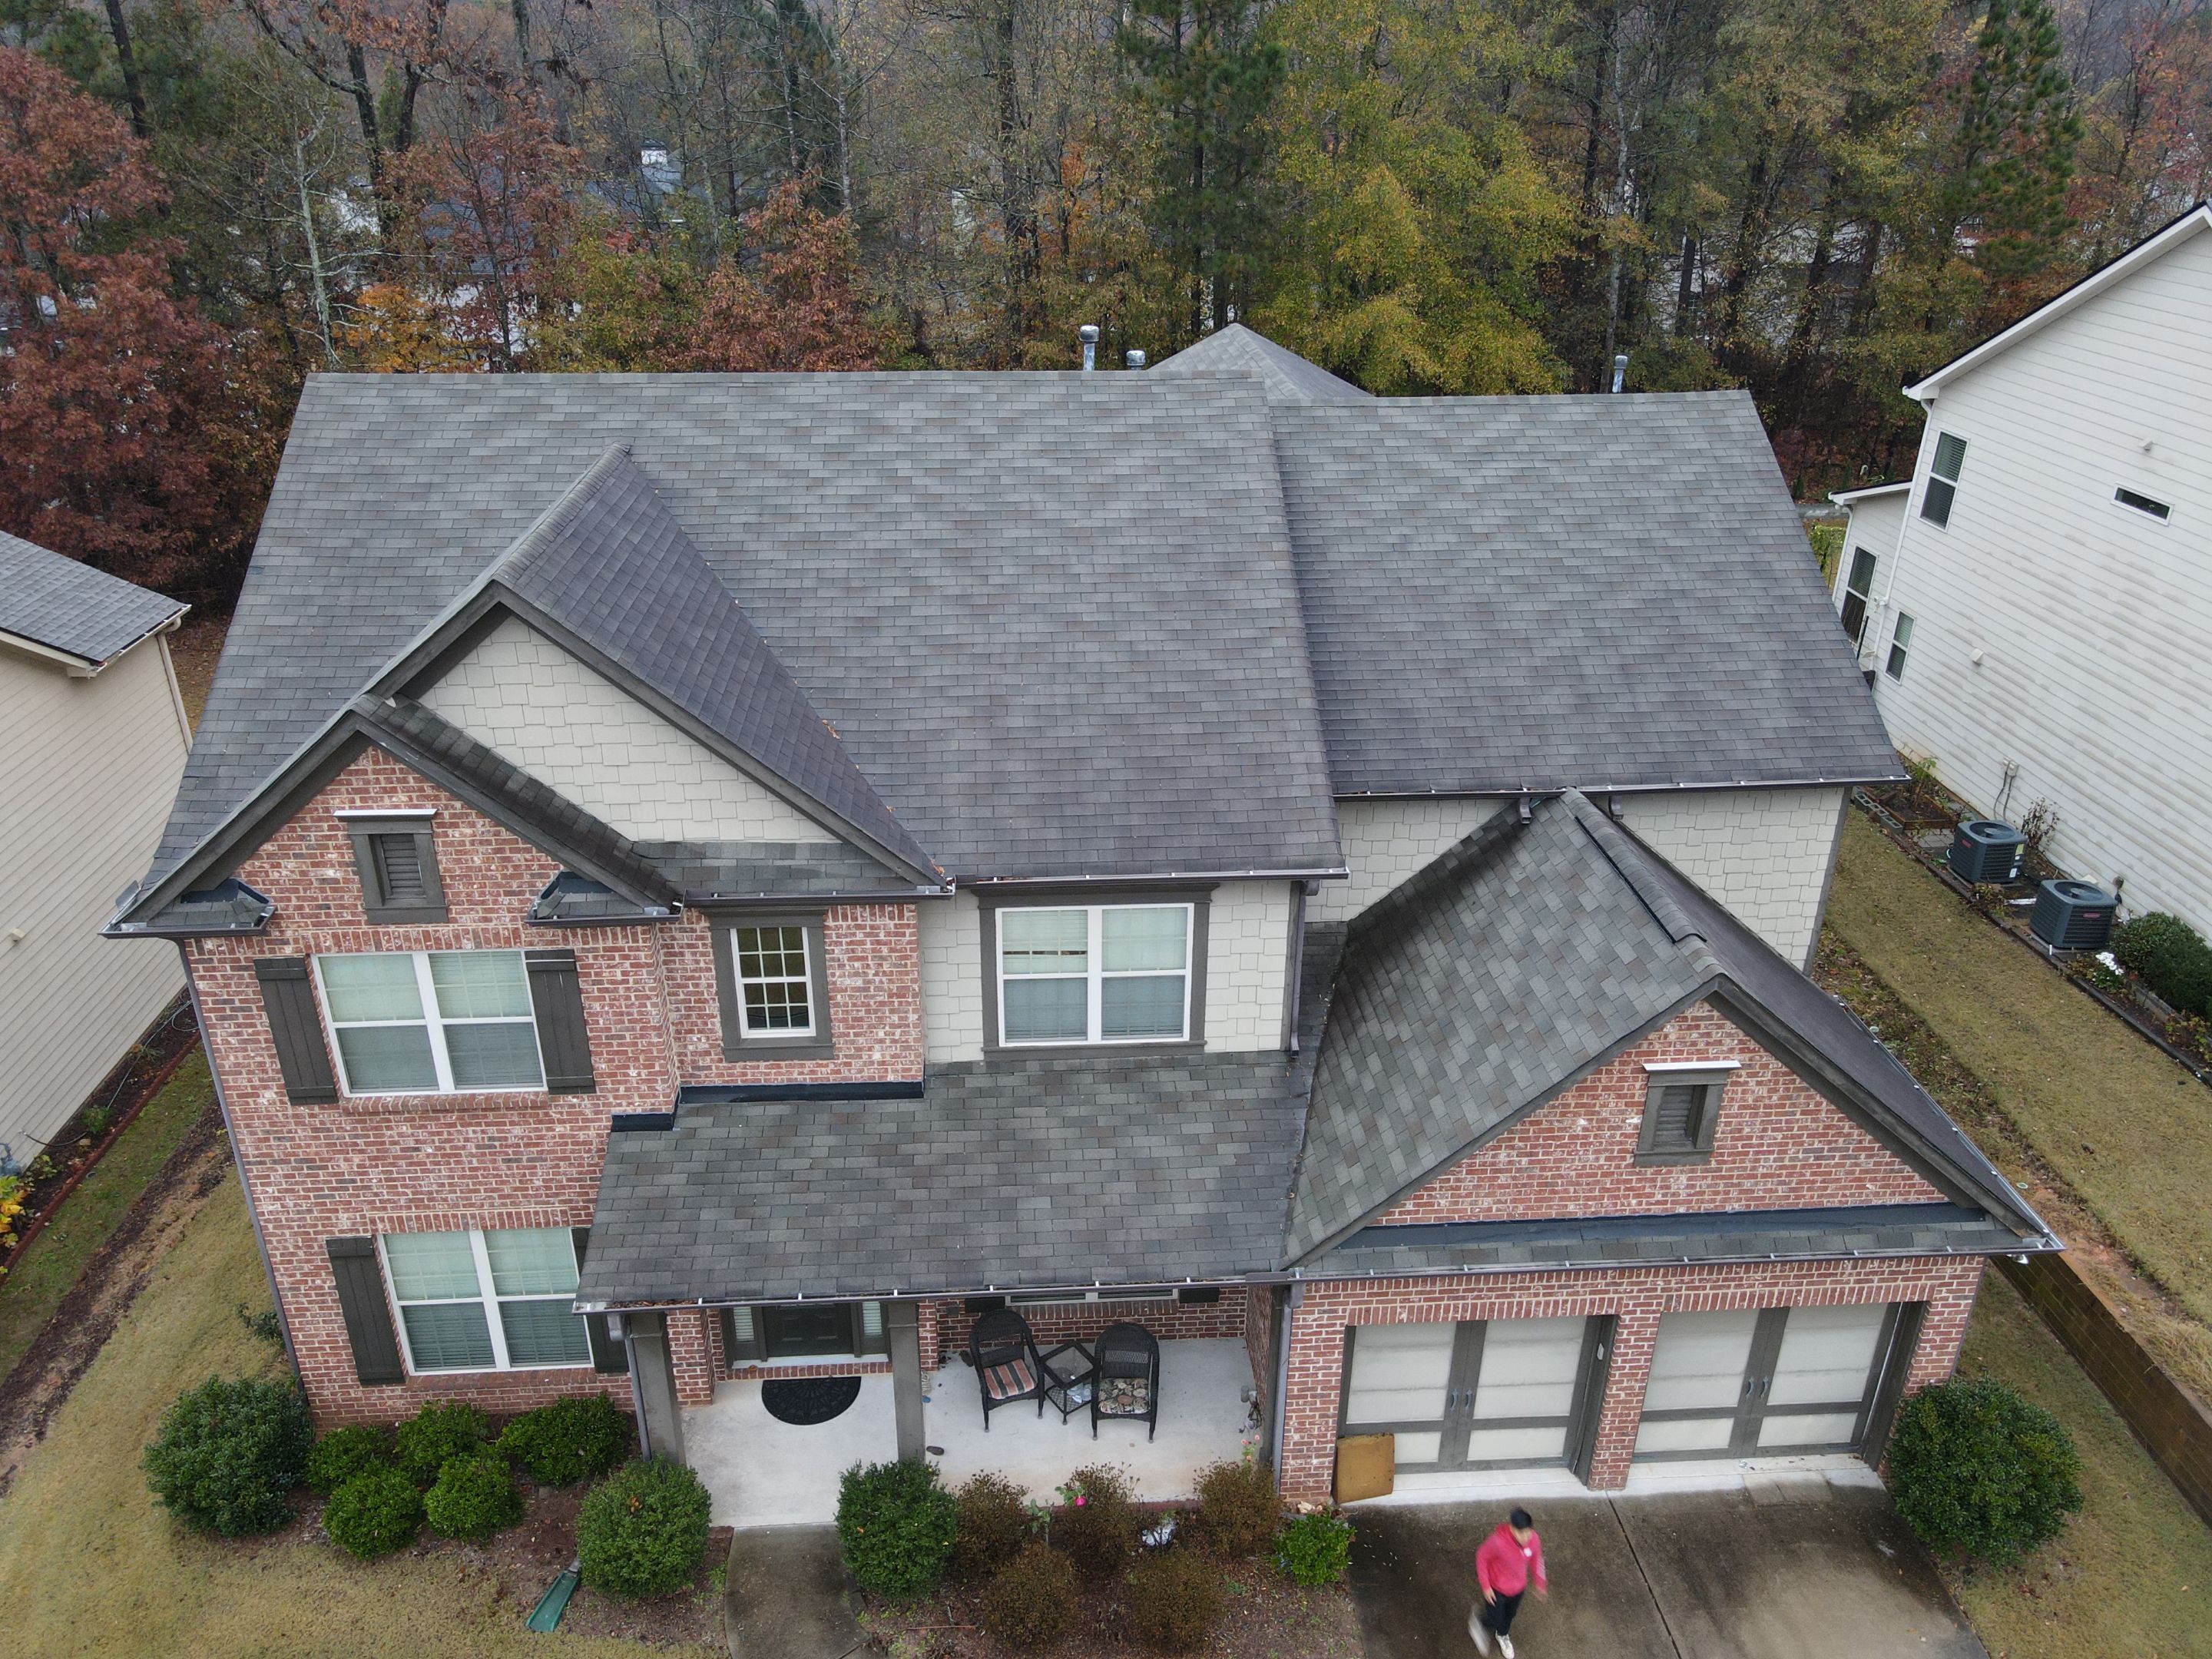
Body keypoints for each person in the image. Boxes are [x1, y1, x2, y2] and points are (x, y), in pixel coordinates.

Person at [1469, 1507, 1546, 1657]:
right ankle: (1479, 1622)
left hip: (1518, 1589)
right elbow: (1481, 1557)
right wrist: (1486, 1586)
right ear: (1512, 1529)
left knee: (1510, 1615)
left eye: (1528, 1532)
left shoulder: (1534, 1539)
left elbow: (1537, 1560)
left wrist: (1540, 1582)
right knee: (1495, 1617)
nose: (1525, 1537)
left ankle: (1502, 1635)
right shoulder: (1497, 1542)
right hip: (1497, 1590)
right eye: (1521, 1533)